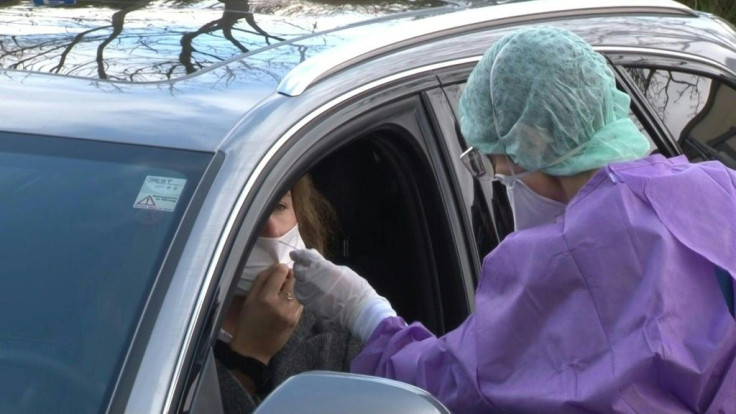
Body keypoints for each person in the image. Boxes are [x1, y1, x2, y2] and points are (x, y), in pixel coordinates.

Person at [289, 27, 736, 413]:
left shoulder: (557, 259)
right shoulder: (718, 187)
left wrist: (366, 314)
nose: (500, 178)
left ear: (533, 139)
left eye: (498, 165)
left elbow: (456, 386)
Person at [215, 175, 363, 414]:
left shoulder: (339, 333)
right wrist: (248, 357)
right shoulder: (162, 330)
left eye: (279, 206)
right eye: (246, 212)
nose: (272, 228)